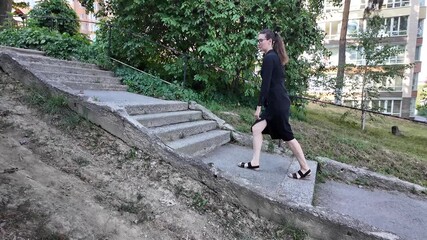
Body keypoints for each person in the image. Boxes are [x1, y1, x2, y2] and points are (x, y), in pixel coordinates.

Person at [237, 29, 311, 179]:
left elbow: (266, 85)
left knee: (287, 136)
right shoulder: (272, 57)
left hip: (278, 104)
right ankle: (255, 162)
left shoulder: (270, 58)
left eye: (261, 40)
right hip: (276, 103)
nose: (258, 43)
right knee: (256, 129)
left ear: (270, 41)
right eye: (258, 40)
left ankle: (304, 167)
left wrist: (258, 107)